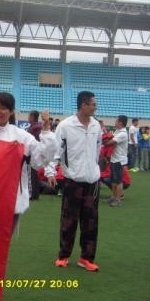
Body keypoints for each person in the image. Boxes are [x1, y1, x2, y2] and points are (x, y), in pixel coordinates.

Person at [0, 92, 56, 230]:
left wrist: (46, 131)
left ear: (11, 111)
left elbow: (40, 160)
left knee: (2, 240)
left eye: (3, 108)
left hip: (11, 200)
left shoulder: (22, 136)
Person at [50, 91, 102, 272]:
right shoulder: (65, 126)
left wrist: (95, 169)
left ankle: (86, 258)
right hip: (73, 180)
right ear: (83, 105)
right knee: (69, 220)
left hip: (92, 181)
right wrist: (50, 171)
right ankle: (63, 255)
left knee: (91, 221)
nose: (95, 107)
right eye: (93, 104)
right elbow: (56, 150)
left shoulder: (96, 125)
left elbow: (98, 149)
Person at [103, 115, 129, 207]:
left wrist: (104, 140)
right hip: (114, 159)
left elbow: (110, 142)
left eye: (116, 121)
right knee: (113, 180)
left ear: (120, 123)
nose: (115, 122)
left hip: (119, 160)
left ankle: (118, 199)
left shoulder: (122, 134)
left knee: (118, 181)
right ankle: (113, 197)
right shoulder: (118, 131)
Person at [27, 110, 43, 200]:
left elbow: (36, 140)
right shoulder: (36, 126)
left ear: (32, 117)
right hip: (35, 152)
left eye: (29, 116)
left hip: (33, 153)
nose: (28, 118)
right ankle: (35, 193)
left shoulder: (35, 127)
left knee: (32, 174)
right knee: (34, 173)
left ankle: (32, 193)